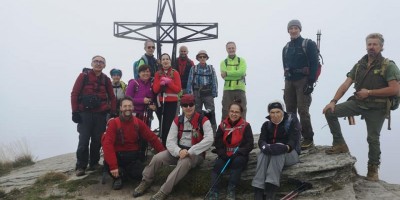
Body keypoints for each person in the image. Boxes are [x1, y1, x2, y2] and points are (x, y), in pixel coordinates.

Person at [323, 33, 400, 182]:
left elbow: (395, 90)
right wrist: (333, 101)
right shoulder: (359, 65)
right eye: (369, 44)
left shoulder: (388, 66)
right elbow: (346, 84)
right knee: (329, 111)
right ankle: (339, 144)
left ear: (381, 47)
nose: (371, 47)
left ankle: (372, 170)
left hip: (377, 107)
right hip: (359, 103)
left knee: (372, 138)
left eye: (375, 44)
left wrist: (370, 92)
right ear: (366, 46)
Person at [132, 94, 214, 200]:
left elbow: (209, 139)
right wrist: (179, 151)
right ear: (181, 107)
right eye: (185, 105)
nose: (188, 107)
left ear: (195, 104)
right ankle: (145, 181)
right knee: (158, 157)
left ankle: (164, 191)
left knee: (184, 162)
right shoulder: (177, 120)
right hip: (178, 151)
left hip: (196, 154)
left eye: (191, 104)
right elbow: (170, 141)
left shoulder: (203, 120)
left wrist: (191, 151)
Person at [102, 97, 165, 190]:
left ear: (133, 108)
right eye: (125, 106)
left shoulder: (138, 122)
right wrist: (113, 166)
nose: (127, 108)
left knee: (138, 174)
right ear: (120, 108)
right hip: (117, 157)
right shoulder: (114, 123)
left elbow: (152, 138)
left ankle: (123, 174)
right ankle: (118, 177)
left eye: (129, 106)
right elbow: (107, 145)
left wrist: (163, 154)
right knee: (112, 167)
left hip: (132, 159)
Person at [70, 55, 117, 176]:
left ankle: (94, 163)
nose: (98, 63)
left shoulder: (106, 79)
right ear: (91, 63)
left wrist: (112, 112)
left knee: (97, 140)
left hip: (100, 114)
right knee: (84, 139)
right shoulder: (83, 76)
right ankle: (81, 166)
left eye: (101, 62)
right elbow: (74, 94)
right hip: (84, 113)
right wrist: (74, 112)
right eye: (96, 61)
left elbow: (112, 97)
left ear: (104, 65)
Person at [252, 100, 301, 200]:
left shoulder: (291, 122)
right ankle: (258, 190)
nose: (275, 115)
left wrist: (284, 147)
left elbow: (293, 140)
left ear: (283, 112)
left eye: (278, 112)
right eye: (272, 112)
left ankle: (270, 191)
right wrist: (265, 147)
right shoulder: (266, 125)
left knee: (277, 153)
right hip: (272, 152)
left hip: (291, 154)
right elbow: (261, 141)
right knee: (262, 154)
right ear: (269, 114)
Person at [282, 19, 319, 150]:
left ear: (300, 29)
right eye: (290, 28)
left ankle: (308, 138)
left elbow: (314, 64)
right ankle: (294, 137)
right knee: (290, 111)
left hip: (303, 80)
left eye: (295, 28)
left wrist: (311, 82)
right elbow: (284, 66)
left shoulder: (308, 44)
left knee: (303, 110)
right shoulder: (286, 47)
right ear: (288, 30)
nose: (293, 30)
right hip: (289, 81)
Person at [207, 100, 254, 200]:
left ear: (241, 113)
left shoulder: (246, 126)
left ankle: (231, 190)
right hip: (225, 154)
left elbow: (249, 144)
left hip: (239, 154)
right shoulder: (222, 125)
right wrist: (222, 154)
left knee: (237, 163)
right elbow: (218, 142)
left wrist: (239, 152)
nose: (234, 114)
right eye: (232, 111)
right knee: (218, 165)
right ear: (228, 112)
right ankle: (214, 190)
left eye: (236, 112)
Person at [153, 53, 182, 147]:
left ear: (170, 61)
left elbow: (178, 89)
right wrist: (161, 82)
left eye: (167, 59)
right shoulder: (158, 74)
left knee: (169, 123)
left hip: (172, 102)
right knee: (162, 122)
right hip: (161, 102)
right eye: (163, 59)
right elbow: (155, 89)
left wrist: (169, 83)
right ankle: (163, 143)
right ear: (161, 62)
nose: (165, 61)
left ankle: (168, 144)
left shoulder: (175, 73)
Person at [187, 50, 218, 134]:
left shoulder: (211, 68)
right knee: (196, 113)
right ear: (197, 58)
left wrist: (214, 93)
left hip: (208, 93)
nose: (202, 58)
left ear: (206, 58)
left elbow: (214, 81)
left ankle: (213, 134)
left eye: (204, 57)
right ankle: (197, 134)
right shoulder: (194, 68)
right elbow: (190, 82)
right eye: (200, 57)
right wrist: (190, 95)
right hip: (197, 93)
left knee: (211, 113)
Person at [220, 41, 247, 120]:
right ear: (226, 49)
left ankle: (242, 129)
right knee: (226, 110)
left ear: (235, 48)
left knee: (242, 109)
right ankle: (224, 130)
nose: (231, 50)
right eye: (229, 48)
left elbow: (242, 72)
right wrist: (238, 75)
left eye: (232, 48)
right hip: (227, 90)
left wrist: (227, 73)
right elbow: (224, 77)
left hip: (240, 89)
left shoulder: (241, 60)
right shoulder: (223, 62)